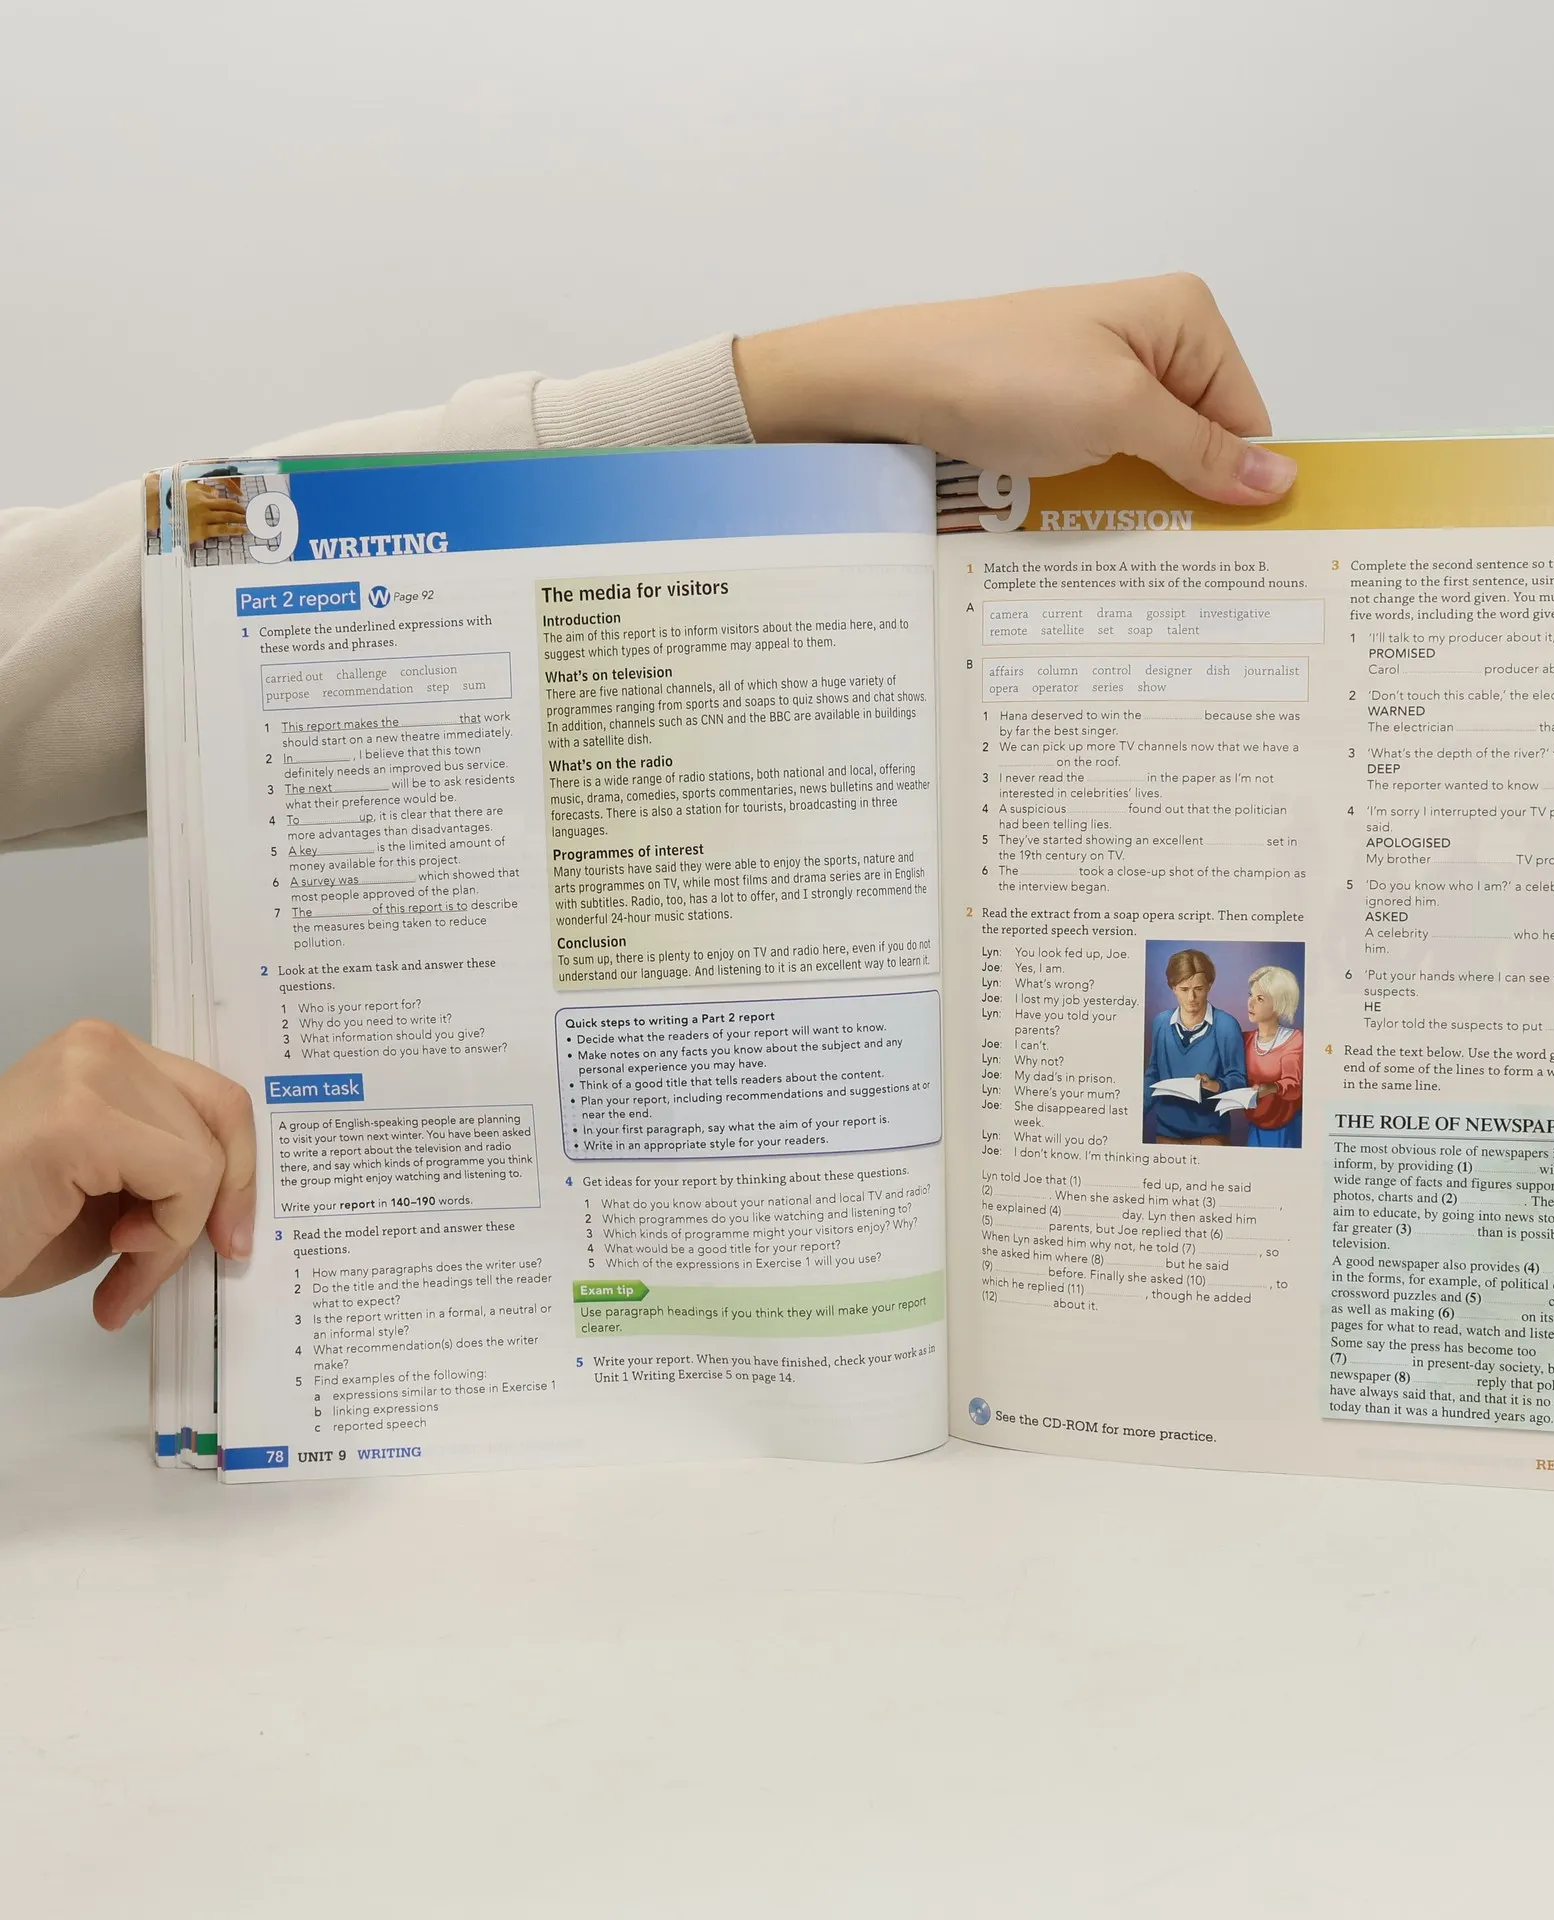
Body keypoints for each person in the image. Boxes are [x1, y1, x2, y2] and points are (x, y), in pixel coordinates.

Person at [0, 275, 1296, 1329]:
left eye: (1203, 987)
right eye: (1192, 984)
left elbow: (103, 620)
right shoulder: (1179, 1036)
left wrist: (780, 389)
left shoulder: (1225, 1042)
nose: (1198, 997)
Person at [1143, 947, 1247, 1146]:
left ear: (1209, 986)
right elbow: (1153, 1074)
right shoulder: (1161, 1023)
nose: (1191, 997)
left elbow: (1239, 1080)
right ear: (1173, 988)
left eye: (1198, 989)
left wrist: (1215, 1085)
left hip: (1211, 1135)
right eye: (1184, 989)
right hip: (1166, 1133)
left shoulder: (1226, 1025)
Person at [1241, 964, 1304, 1148]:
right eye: (1250, 995)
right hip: (1255, 1127)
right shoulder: (1244, 1039)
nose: (1250, 1003)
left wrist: (1272, 1088)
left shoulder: (1294, 1040)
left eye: (1259, 998)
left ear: (1278, 1005)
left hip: (1286, 1129)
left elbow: (1293, 1087)